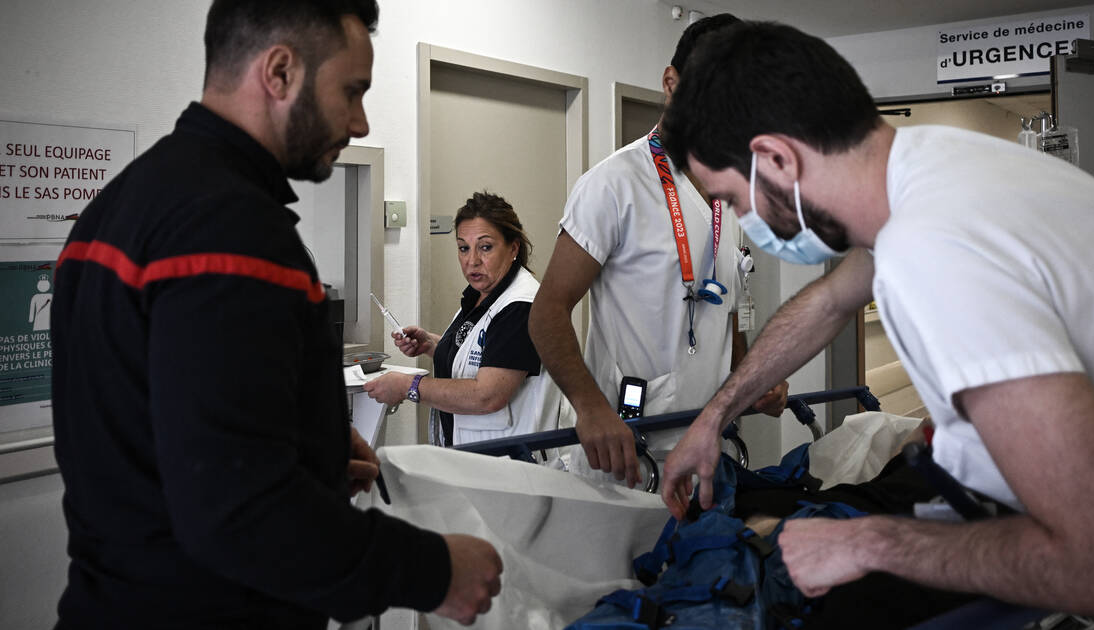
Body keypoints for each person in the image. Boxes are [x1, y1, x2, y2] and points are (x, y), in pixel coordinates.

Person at [658, 20, 1094, 629]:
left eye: (731, 199)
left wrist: (866, 544)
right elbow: (833, 300)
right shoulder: (937, 168)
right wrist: (715, 417)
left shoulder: (932, 252)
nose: (739, 219)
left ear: (776, 159)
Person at [50, 2, 501, 627]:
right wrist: (433, 571)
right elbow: (237, 513)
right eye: (352, 91)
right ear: (281, 71)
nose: (362, 121)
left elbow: (157, 434)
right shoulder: (233, 233)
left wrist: (305, 447)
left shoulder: (117, 208)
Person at [528, 13, 788, 489]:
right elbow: (546, 313)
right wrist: (590, 408)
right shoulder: (613, 185)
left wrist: (752, 382)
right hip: (629, 450)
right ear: (672, 82)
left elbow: (729, 307)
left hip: (712, 446)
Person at [364, 192, 571, 448]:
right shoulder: (482, 296)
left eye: (485, 247)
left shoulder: (521, 307)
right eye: (464, 248)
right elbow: (485, 353)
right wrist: (432, 344)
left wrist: (408, 385)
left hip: (512, 466)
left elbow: (486, 395)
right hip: (476, 458)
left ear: (513, 248)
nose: (472, 261)